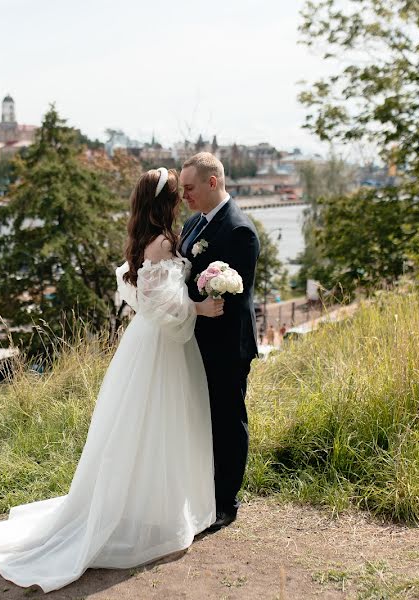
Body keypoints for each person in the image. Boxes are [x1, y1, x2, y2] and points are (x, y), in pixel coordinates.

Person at [0, 168, 224, 592]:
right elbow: (156, 302)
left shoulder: (146, 239)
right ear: (164, 202)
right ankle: (157, 513)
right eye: (176, 192)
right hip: (161, 346)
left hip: (145, 344)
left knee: (142, 427)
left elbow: (152, 297)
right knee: (162, 424)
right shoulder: (164, 242)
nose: (182, 197)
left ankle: (148, 505)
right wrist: (199, 309)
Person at [179, 152, 260, 532]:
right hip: (194, 342)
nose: (184, 196)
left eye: (190, 188)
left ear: (213, 183)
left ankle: (226, 502)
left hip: (227, 346)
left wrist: (194, 305)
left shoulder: (239, 230)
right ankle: (202, 492)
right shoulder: (194, 223)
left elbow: (234, 298)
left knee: (228, 422)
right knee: (200, 421)